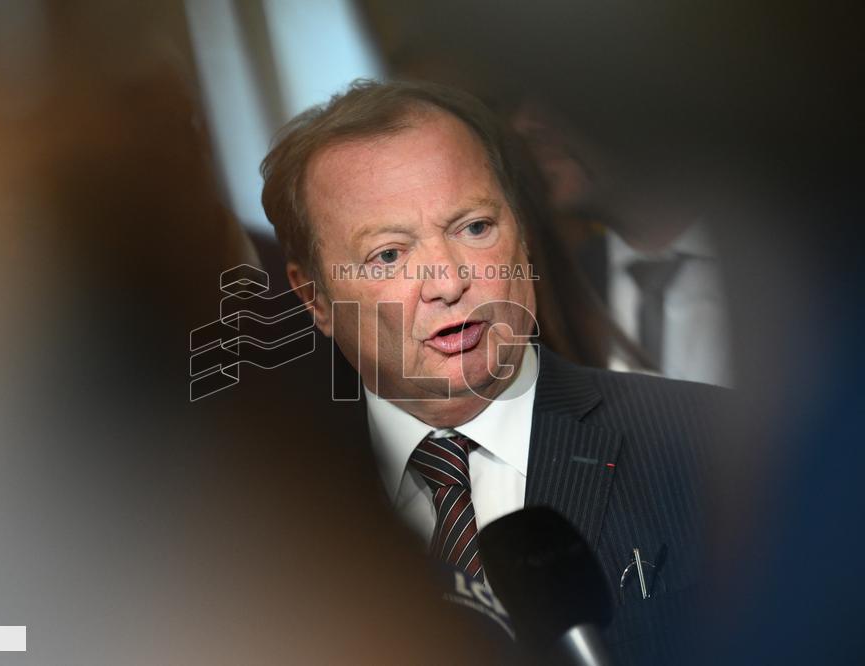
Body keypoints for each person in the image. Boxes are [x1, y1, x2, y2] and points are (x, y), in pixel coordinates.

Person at [261, 79, 728, 665]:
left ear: (523, 235)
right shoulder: (265, 520)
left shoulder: (711, 444)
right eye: (389, 255)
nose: (449, 283)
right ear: (315, 298)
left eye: (474, 228)